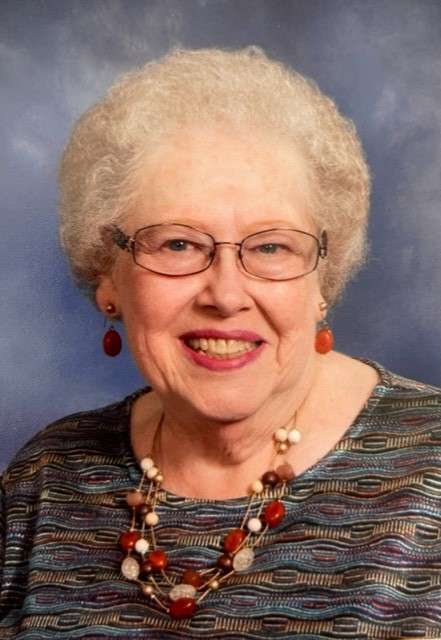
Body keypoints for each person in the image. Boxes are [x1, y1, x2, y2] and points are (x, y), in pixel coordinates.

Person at [1, 47, 440, 640]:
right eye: (178, 244)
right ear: (108, 274)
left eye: (271, 246)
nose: (226, 294)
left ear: (322, 281)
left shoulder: (430, 471)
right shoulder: (46, 481)